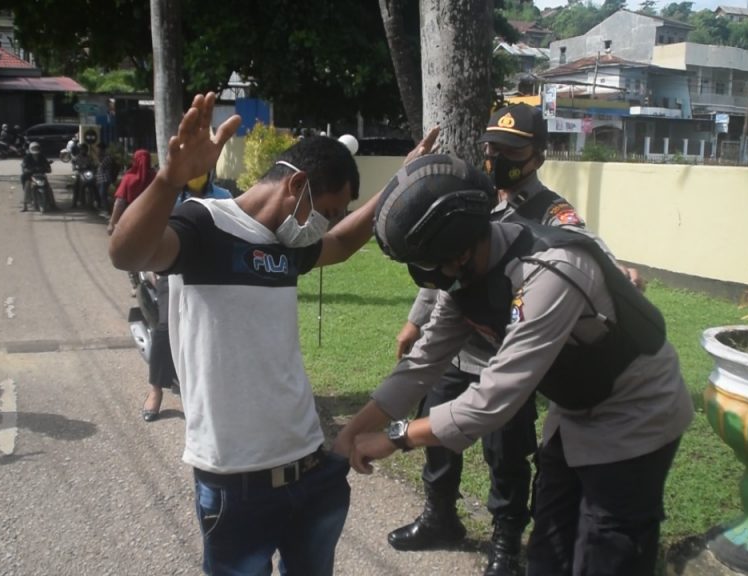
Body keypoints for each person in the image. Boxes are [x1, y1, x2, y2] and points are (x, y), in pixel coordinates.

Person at [108, 92, 438, 575]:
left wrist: (401, 180)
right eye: (326, 209)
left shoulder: (286, 244)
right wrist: (168, 179)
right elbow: (126, 253)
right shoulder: (204, 224)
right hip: (233, 483)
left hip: (312, 467)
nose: (324, 222)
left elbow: (344, 241)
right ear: (297, 184)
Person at [336, 153, 693, 576]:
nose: (432, 278)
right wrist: (352, 432)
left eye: (432, 264)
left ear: (460, 249)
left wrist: (396, 437)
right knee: (549, 548)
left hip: (635, 412)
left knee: (608, 550)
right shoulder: (465, 277)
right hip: (576, 407)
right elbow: (420, 364)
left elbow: (494, 398)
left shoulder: (549, 272)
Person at [388, 103, 587, 576]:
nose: (497, 157)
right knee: (435, 432)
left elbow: (582, 254)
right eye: (491, 147)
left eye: (511, 150)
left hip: (505, 358)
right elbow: (439, 263)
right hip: (454, 344)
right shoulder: (471, 195)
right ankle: (440, 518)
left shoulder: (555, 214)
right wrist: (416, 321)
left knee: (506, 456)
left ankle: (505, 544)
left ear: (537, 155)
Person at [139, 169, 233, 423]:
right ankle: (156, 389)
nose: (196, 171)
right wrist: (152, 264)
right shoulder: (168, 198)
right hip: (172, 269)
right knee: (165, 327)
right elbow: (150, 230)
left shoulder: (224, 196)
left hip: (212, 269)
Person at [107, 149, 155, 236]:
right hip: (151, 221)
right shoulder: (155, 178)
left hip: (129, 220)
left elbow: (119, 203)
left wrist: (112, 223)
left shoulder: (128, 178)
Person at [20, 142, 52, 212]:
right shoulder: (27, 157)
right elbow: (24, 165)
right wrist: (26, 169)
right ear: (30, 149)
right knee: (27, 186)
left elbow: (46, 164)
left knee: (48, 186)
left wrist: (47, 168)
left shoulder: (42, 156)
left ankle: (52, 204)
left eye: (36, 148)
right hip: (30, 175)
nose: (35, 149)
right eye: (34, 148)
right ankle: (25, 206)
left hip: (40, 175)